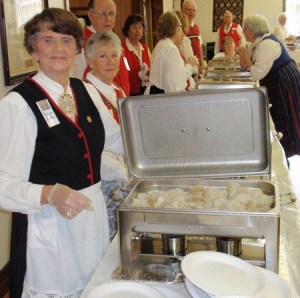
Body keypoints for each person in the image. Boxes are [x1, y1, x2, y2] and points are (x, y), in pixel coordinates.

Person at [0, 8, 125, 297]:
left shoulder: (86, 91)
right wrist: (50, 194)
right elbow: (3, 184)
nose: (59, 48)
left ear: (78, 49)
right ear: (34, 50)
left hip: (90, 220)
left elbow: (118, 140)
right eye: (48, 40)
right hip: (49, 224)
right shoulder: (18, 104)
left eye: (67, 40)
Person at [84, 31, 128, 240]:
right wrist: (121, 173)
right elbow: (92, 145)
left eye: (114, 55)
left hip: (125, 172)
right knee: (112, 239)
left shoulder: (117, 89)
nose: (110, 61)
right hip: (107, 177)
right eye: (102, 56)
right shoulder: (86, 92)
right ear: (89, 60)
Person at [239, 14, 300, 158]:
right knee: (281, 115)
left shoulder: (267, 45)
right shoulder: (258, 42)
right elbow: (250, 68)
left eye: (245, 29)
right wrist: (244, 58)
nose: (243, 32)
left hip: (283, 80)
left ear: (253, 31)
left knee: (286, 115)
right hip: (277, 79)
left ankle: (286, 150)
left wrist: (247, 59)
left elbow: (256, 73)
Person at [72, 0, 130, 96]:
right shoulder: (80, 45)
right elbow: (76, 84)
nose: (108, 19)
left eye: (111, 13)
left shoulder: (115, 41)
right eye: (102, 13)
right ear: (90, 15)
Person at [144, 11, 198, 94]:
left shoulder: (161, 44)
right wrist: (190, 65)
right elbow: (174, 85)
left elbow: (174, 76)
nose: (182, 32)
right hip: (163, 96)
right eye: (180, 27)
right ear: (174, 28)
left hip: (156, 92)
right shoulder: (171, 49)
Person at [122, 13, 151, 96]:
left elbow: (151, 67)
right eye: (134, 28)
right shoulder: (122, 49)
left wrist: (148, 72)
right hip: (130, 91)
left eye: (140, 27)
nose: (138, 30)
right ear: (127, 30)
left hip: (146, 90)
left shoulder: (145, 48)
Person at [181, 0, 204, 64]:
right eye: (189, 10)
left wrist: (201, 63)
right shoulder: (180, 27)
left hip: (196, 64)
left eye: (194, 10)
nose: (191, 13)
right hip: (187, 65)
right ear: (182, 10)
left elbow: (200, 46)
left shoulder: (196, 27)